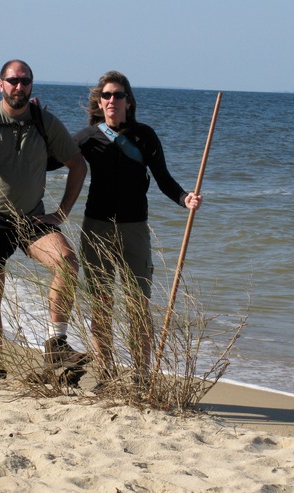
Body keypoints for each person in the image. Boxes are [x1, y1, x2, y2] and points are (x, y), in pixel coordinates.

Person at [0, 60, 88, 378]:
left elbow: (78, 165)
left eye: (25, 81)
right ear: (1, 85)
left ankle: (56, 343)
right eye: (13, 80)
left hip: (31, 217)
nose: (19, 86)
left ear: (31, 85)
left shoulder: (43, 121)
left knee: (67, 262)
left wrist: (61, 213)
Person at [74, 70, 202, 386]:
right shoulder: (87, 137)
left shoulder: (145, 136)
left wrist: (185, 198)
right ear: (99, 102)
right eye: (106, 95)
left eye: (118, 95)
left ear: (129, 101)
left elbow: (163, 179)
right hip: (96, 228)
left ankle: (142, 376)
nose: (112, 100)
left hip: (135, 229)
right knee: (101, 304)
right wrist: (38, 123)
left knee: (137, 305)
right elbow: (51, 160)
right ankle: (104, 373)